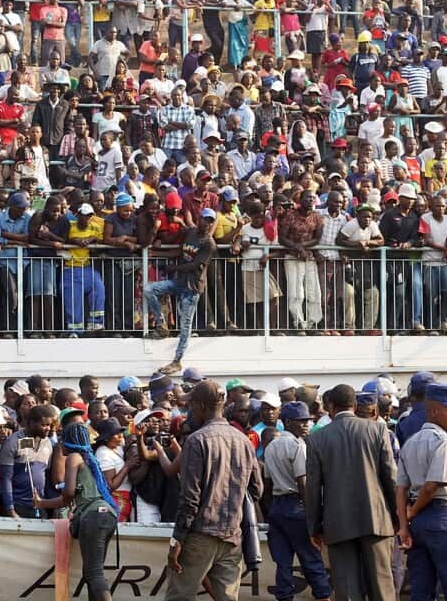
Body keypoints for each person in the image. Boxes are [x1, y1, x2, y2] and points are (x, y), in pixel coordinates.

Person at [165, 380, 263, 601]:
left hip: (200, 535)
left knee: (179, 597)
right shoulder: (244, 441)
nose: (189, 410)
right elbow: (256, 489)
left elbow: (190, 498)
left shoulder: (196, 441)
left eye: (191, 406)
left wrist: (176, 541)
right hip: (232, 535)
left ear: (200, 406)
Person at [305, 383, 397, 601]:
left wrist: (314, 527)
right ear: (355, 406)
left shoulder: (317, 438)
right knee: (382, 587)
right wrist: (397, 517)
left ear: (330, 407)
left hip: (338, 522)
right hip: (376, 519)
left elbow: (313, 487)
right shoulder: (377, 429)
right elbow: (391, 477)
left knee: (347, 591)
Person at [395, 383, 447, 601]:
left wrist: (404, 525)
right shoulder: (443, 441)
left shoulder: (410, 443)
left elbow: (401, 489)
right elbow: (433, 484)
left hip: (418, 523)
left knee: (421, 590)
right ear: (435, 411)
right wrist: (413, 511)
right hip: (443, 516)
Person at [30, 421, 120, 601]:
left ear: (67, 442)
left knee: (94, 573)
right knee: (92, 572)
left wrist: (41, 503)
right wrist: (42, 503)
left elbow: (68, 494)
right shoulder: (88, 458)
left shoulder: (73, 458)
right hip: (107, 515)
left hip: (93, 516)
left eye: (62, 439)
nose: (60, 443)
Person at [264, 401, 333, 601]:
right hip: (297, 505)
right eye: (300, 421)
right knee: (311, 559)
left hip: (277, 506)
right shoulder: (298, 446)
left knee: (283, 562)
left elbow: (267, 485)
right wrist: (314, 517)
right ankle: (323, 596)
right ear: (287, 421)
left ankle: (285, 597)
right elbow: (304, 484)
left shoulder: (271, 446)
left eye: (307, 421)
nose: (306, 425)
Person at [146, 208, 216, 374]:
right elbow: (180, 250)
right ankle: (161, 323)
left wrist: (174, 267)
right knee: (150, 289)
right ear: (199, 219)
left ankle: (177, 360)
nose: (206, 223)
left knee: (185, 325)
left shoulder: (209, 243)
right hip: (180, 280)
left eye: (210, 221)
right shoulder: (191, 233)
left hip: (192, 286)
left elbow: (195, 265)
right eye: (204, 219)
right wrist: (158, 253)